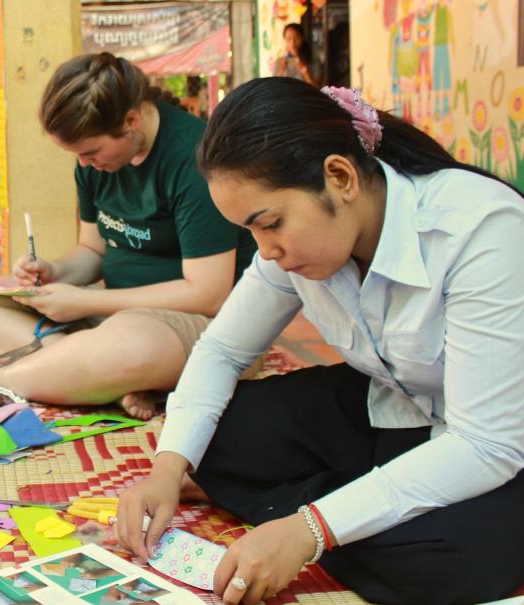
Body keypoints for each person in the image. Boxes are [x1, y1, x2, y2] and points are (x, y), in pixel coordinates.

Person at [115, 78, 524, 605]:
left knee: (445, 563)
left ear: (339, 176)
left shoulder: (478, 229)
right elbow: (221, 350)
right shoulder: (298, 245)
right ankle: (350, 505)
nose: (265, 252)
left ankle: (321, 509)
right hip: (397, 408)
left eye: (270, 224)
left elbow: (485, 444)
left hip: (497, 443)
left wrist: (310, 529)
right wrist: (167, 471)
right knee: (208, 439)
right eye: (251, 232)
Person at [0, 53, 257, 418]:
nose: (84, 163)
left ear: (130, 121)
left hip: (196, 326)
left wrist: (84, 303)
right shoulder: (96, 164)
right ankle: (87, 375)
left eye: (91, 151)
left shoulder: (194, 161)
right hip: (109, 319)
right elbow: (92, 250)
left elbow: (208, 294)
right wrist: (54, 273)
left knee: (133, 344)